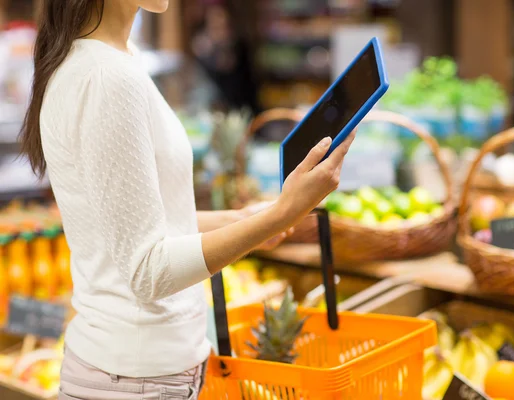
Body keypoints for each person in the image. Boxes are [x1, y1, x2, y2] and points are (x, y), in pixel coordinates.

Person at [19, 1, 353, 398]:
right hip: (136, 379)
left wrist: (240, 219)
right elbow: (149, 270)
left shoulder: (101, 60)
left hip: (131, 373)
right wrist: (282, 214)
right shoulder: (108, 78)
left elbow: (139, 227)